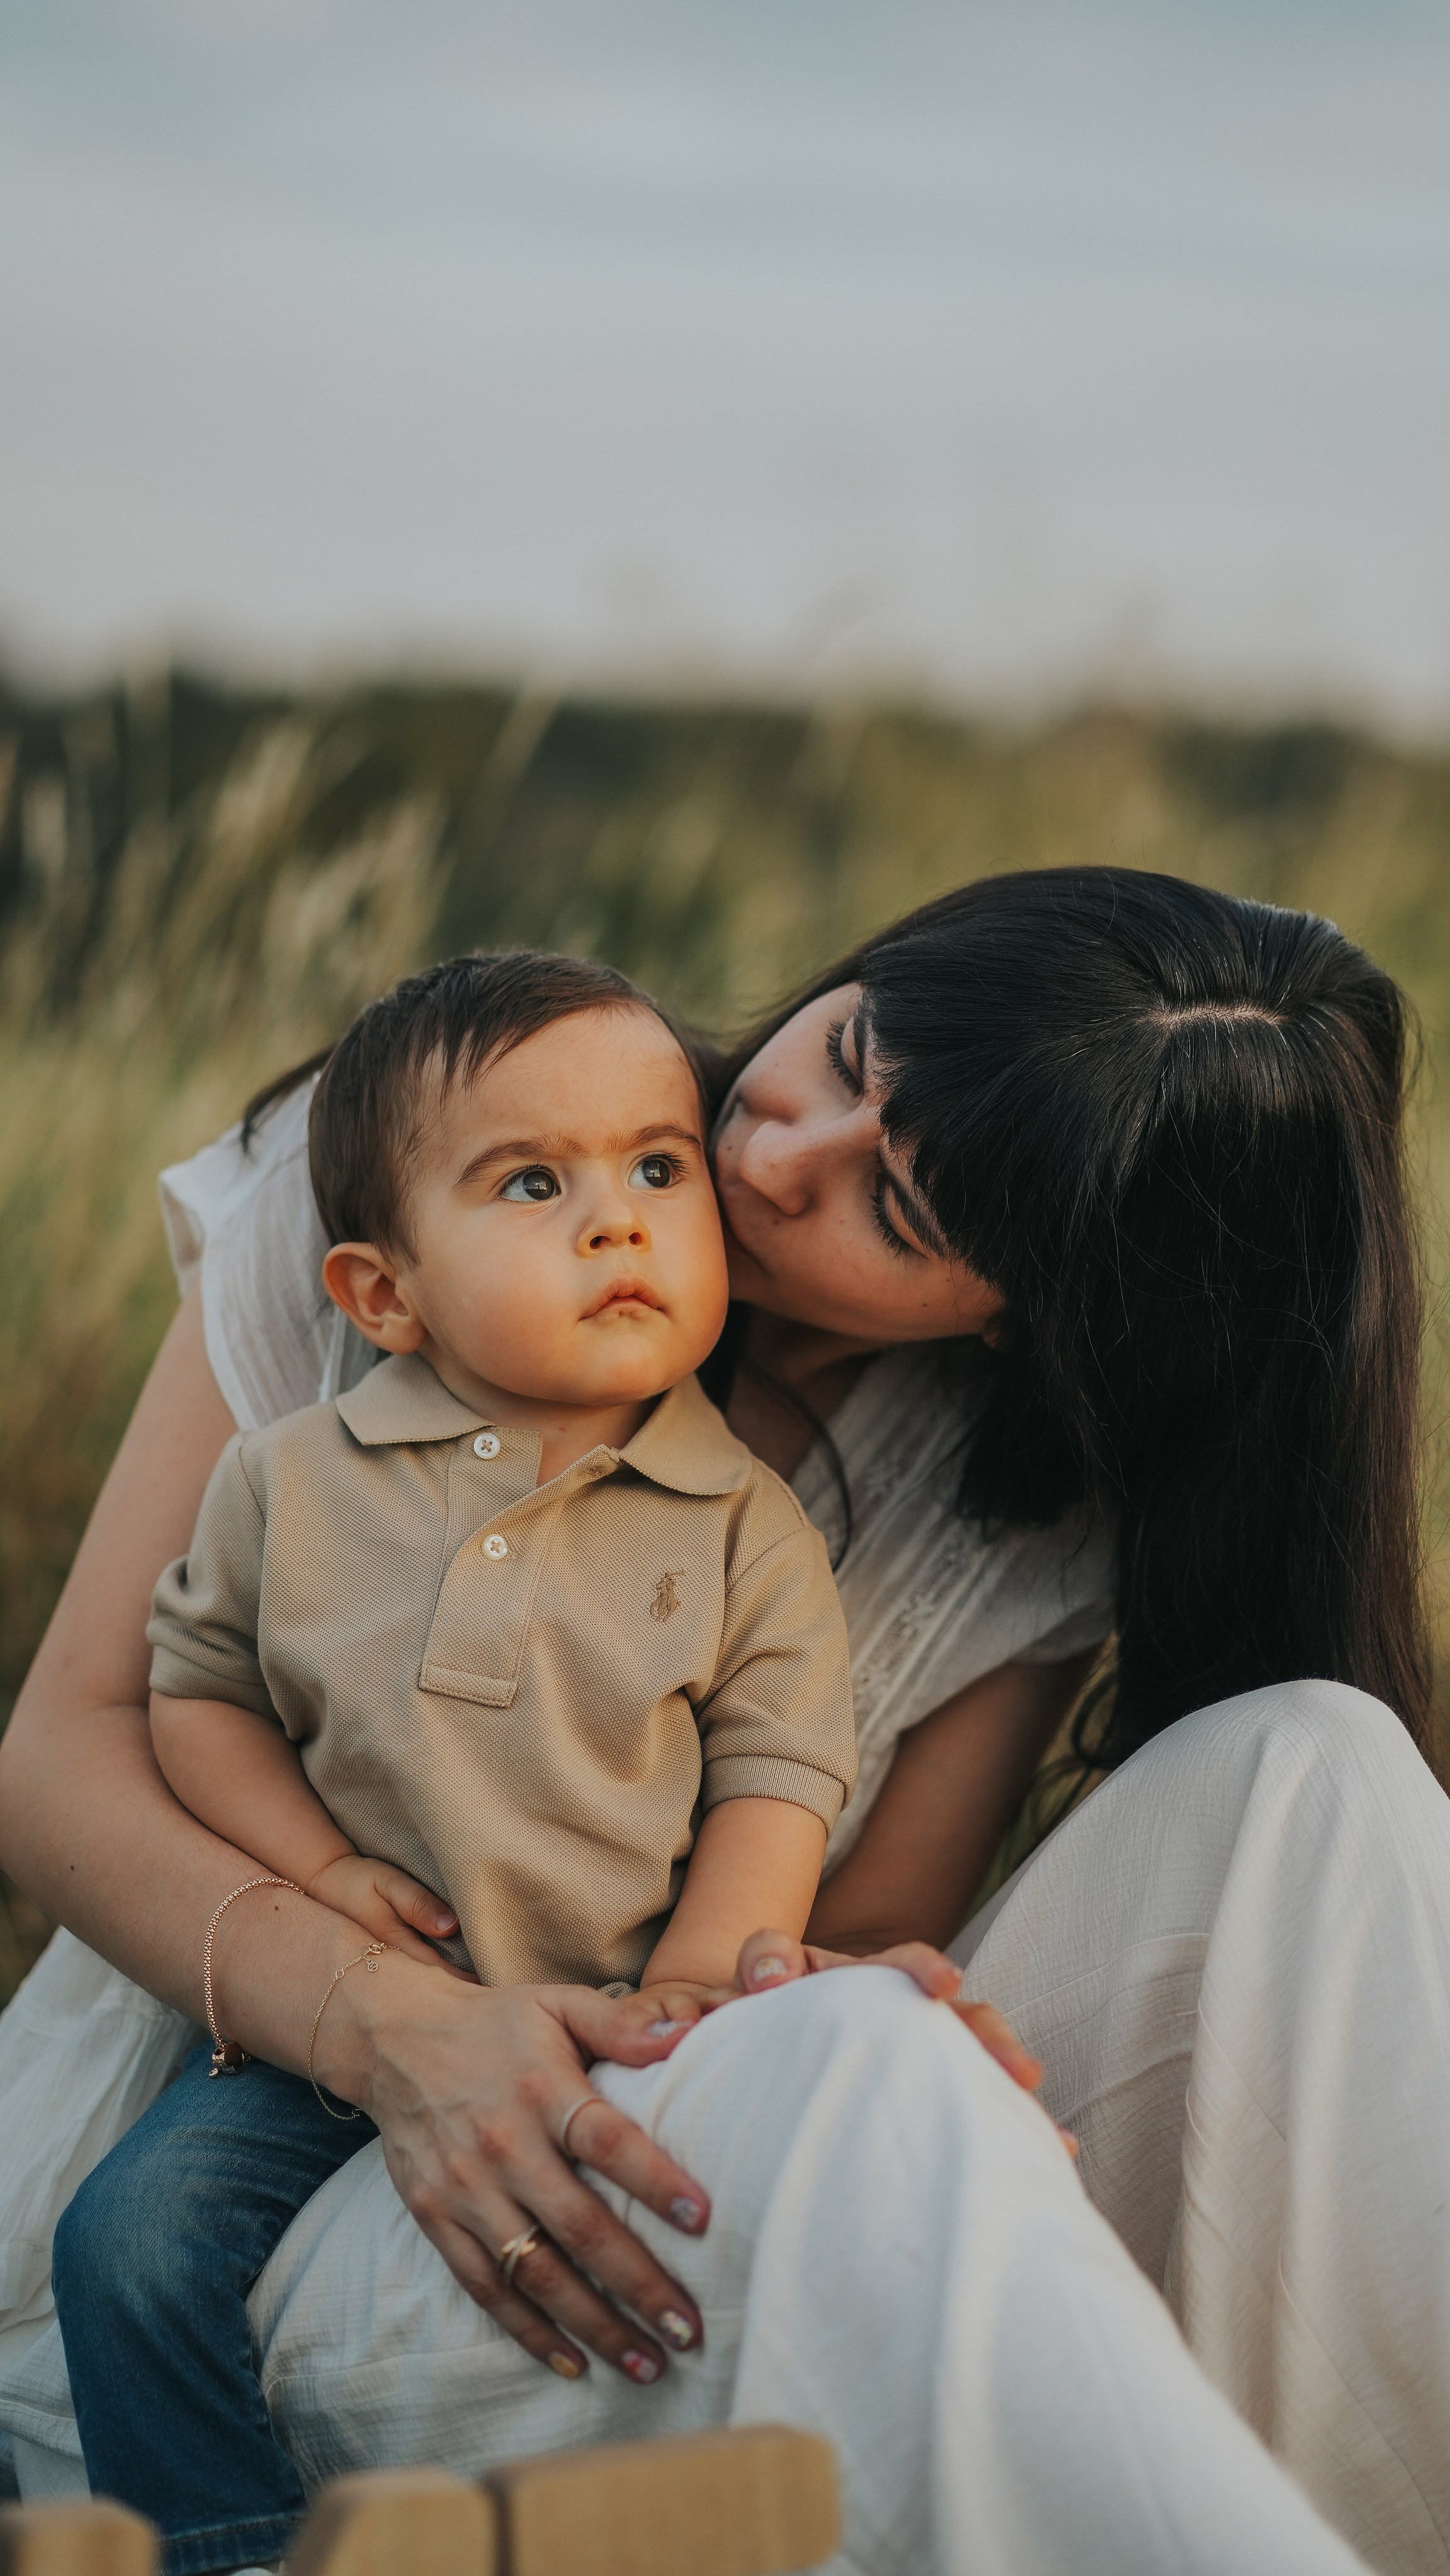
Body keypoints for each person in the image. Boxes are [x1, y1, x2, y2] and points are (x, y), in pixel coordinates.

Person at [0, 867, 1441, 2573]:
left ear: (1026, 1309)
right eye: (841, 1052)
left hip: (633, 2140)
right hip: (262, 2205)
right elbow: (67, 1752)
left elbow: (830, 1939)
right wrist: (391, 2023)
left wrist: (839, 1979)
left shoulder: (1018, 1513)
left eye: (891, 1210)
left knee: (1320, 1766)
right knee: (855, 2074)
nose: (770, 1156)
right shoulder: (442, 1143)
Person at [48, 952, 857, 2575]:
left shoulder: (744, 1527)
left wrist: (699, 1981)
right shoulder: (291, 1481)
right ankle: (232, 2546)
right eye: (531, 1184)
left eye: (654, 1169)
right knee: (126, 2244)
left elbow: (780, 1774)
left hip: (614, 2029)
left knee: (731, 2275)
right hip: (318, 2045)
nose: (615, 1220)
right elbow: (192, 1697)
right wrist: (318, 1874)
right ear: (380, 1296)